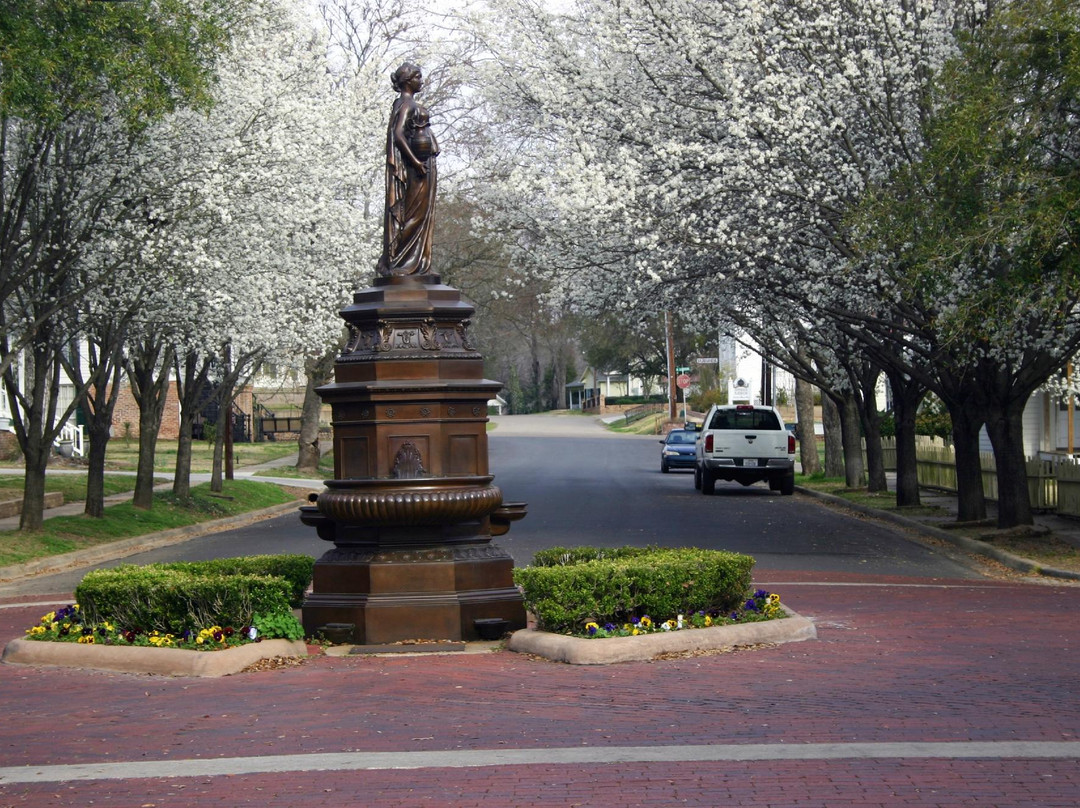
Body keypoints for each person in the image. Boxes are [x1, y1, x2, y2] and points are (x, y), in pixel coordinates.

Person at [376, 63, 439, 277]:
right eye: (418, 77)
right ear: (407, 80)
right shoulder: (406, 104)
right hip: (418, 169)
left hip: (421, 165)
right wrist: (415, 162)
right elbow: (399, 134)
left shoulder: (405, 103)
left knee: (420, 215)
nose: (421, 81)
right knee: (415, 215)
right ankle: (403, 262)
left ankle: (415, 262)